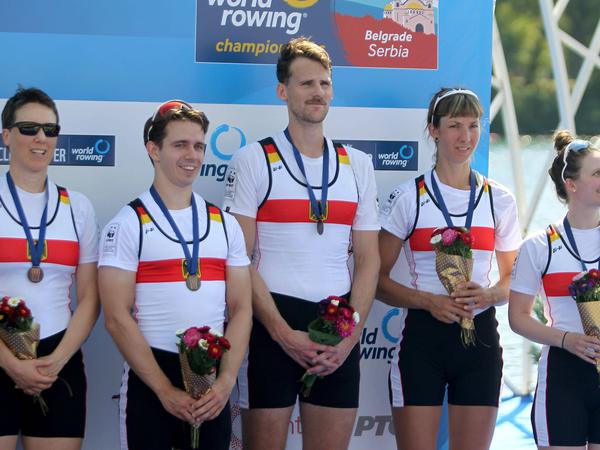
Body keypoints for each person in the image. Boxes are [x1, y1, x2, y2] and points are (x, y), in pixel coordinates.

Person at [223, 37, 380, 450]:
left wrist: (350, 337)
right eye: (306, 83)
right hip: (272, 322)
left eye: (324, 84)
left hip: (337, 325)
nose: (317, 93)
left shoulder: (358, 165)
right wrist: (281, 332)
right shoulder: (253, 159)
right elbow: (239, 261)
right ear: (283, 91)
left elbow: (368, 261)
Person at [98, 100, 252, 450]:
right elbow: (116, 318)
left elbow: (242, 309)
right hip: (152, 379)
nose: (192, 155)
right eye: (180, 145)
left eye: (199, 145)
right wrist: (164, 389)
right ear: (154, 149)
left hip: (212, 380)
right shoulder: (128, 223)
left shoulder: (225, 224)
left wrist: (226, 381)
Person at [377, 87, 522, 450]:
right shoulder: (408, 196)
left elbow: (514, 282)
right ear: (433, 130)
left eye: (473, 125)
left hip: (480, 339)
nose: (465, 136)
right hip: (424, 339)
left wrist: (489, 293)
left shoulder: (499, 200)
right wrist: (428, 301)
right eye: (455, 125)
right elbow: (374, 280)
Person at [0, 87, 99, 450]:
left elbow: (90, 298)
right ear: (6, 135)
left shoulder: (79, 208)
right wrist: (10, 363)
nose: (41, 138)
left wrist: (56, 361)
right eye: (29, 128)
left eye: (50, 130)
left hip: (59, 359)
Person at [509, 131, 600, 450]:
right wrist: (567, 339)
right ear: (571, 184)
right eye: (597, 172)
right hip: (564, 377)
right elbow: (517, 318)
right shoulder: (539, 246)